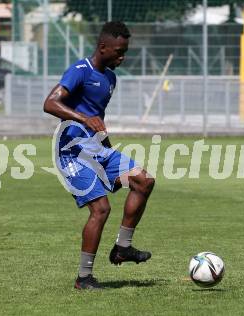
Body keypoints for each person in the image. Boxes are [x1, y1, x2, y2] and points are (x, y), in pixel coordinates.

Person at [43, 21, 155, 290]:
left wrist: (106, 144)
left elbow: (97, 118)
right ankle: (84, 278)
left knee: (144, 181)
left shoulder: (110, 77)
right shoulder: (80, 71)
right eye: (118, 51)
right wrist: (83, 118)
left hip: (98, 149)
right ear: (103, 47)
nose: (122, 57)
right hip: (71, 153)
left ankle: (122, 248)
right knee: (101, 209)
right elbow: (50, 103)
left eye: (124, 51)